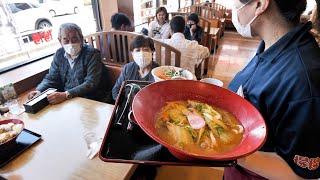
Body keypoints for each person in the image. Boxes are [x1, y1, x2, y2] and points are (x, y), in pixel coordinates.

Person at [224, 0, 320, 179]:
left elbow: (301, 175)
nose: (233, 7)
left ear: (260, 4)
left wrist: (227, 149)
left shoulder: (304, 80)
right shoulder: (271, 45)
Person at [28, 23, 110, 104]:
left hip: (92, 99)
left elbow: (91, 83)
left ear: (81, 39)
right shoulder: (59, 54)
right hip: (67, 100)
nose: (71, 43)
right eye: (66, 40)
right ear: (60, 41)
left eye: (74, 39)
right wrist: (39, 90)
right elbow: (51, 77)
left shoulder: (93, 54)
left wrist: (66, 95)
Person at [112, 35, 159, 101]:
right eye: (137, 50)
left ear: (152, 51)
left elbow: (160, 97)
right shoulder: (127, 68)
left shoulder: (158, 72)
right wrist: (124, 103)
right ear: (132, 53)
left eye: (146, 50)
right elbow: (116, 90)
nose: (142, 53)